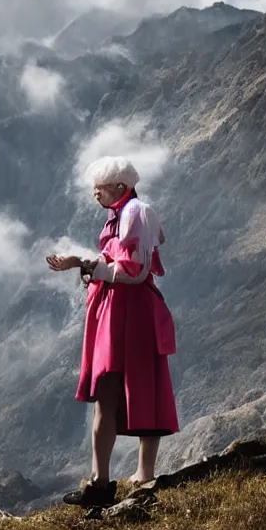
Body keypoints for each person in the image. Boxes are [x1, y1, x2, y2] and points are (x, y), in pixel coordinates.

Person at [47, 156, 179, 507]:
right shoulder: (123, 215)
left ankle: (110, 481)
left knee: (125, 387)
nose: (96, 195)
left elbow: (134, 271)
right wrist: (85, 266)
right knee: (135, 386)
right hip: (121, 309)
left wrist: (85, 264)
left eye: (100, 189)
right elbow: (122, 265)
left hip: (129, 311)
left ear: (120, 188)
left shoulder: (135, 213)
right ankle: (120, 477)